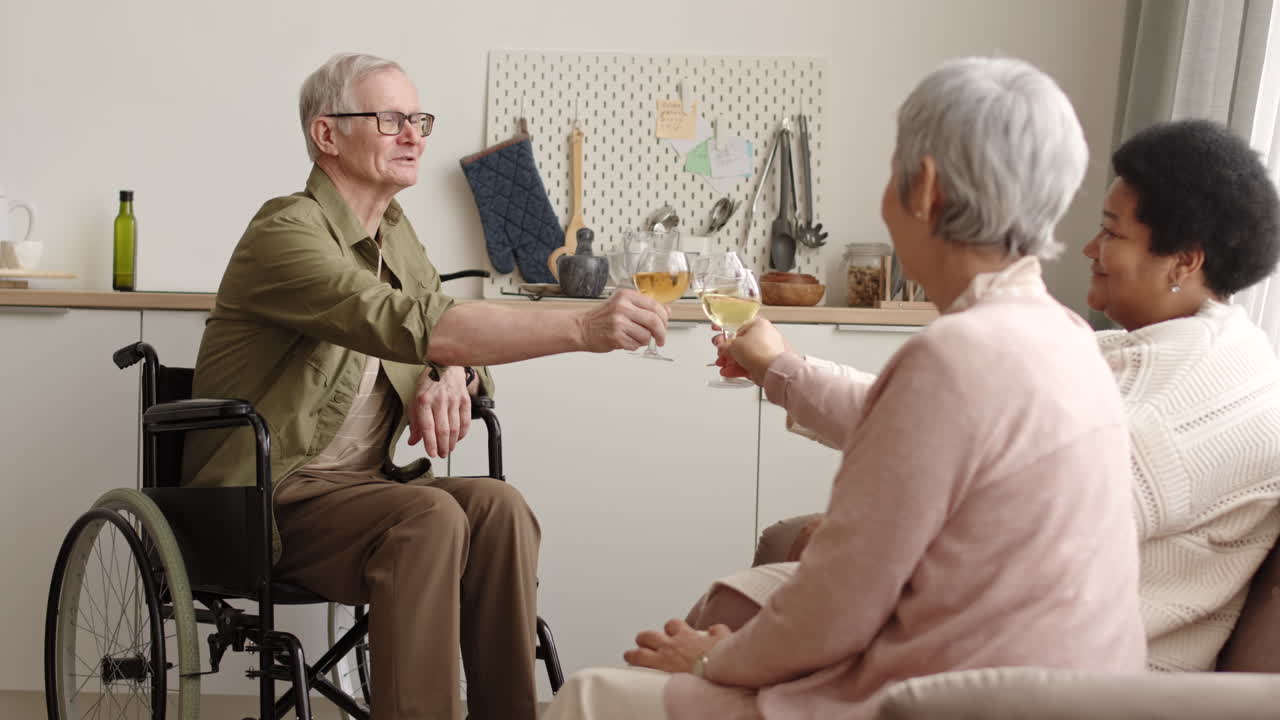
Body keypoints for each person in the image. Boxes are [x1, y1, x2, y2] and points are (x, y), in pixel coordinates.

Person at [541, 56, 1147, 720]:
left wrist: (711, 661)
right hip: (1063, 696)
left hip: (951, 700)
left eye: (893, 170)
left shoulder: (954, 357)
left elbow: (837, 601)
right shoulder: (1071, 340)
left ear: (924, 188)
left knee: (588, 696)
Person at [180, 53, 669, 720]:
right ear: (327, 135)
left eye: (418, 119)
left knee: (499, 506)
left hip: (361, 489)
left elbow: (451, 341)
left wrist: (451, 373)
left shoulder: (396, 236)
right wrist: (581, 328)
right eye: (390, 120)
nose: (415, 135)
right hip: (269, 496)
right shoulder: (285, 231)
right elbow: (405, 322)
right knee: (430, 514)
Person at [718, 118, 1280, 674]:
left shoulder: (1194, 386)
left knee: (718, 630)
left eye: (1111, 232)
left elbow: (1036, 535)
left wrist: (873, 543)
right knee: (731, 608)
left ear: (1185, 259)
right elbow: (928, 423)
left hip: (1056, 677)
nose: (1088, 248)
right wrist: (781, 370)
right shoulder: (1141, 351)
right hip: (1007, 638)